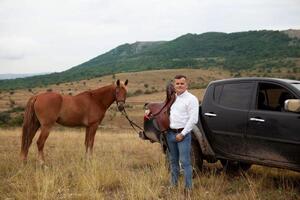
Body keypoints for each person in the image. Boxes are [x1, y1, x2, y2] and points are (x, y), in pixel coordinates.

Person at [166, 74, 199, 194]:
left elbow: (193, 119)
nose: (179, 85)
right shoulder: (171, 98)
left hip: (182, 135)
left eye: (182, 83)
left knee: (185, 162)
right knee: (173, 161)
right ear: (174, 85)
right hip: (170, 134)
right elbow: (162, 109)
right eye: (177, 84)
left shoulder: (192, 99)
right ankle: (173, 185)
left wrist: (183, 133)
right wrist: (149, 110)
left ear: (186, 85)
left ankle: (188, 188)